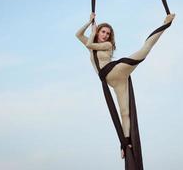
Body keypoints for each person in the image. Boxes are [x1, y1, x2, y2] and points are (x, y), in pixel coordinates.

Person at [75, 12, 175, 158]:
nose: (105, 35)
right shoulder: (93, 44)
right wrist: (89, 23)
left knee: (144, 49)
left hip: (117, 70)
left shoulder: (107, 45)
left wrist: (93, 31)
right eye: (103, 31)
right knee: (124, 112)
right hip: (114, 82)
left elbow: (89, 44)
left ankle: (166, 23)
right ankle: (125, 143)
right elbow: (78, 35)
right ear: (98, 32)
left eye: (108, 33)